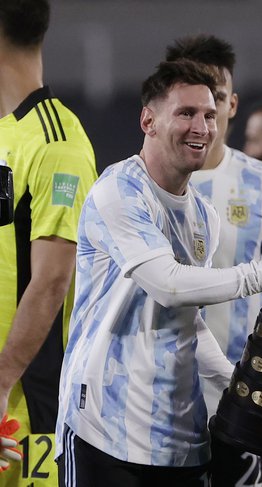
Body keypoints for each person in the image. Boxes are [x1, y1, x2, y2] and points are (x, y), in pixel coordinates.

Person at [54, 59, 262, 487]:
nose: (202, 127)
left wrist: (241, 386)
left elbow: (187, 322)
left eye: (209, 115)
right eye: (185, 113)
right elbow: (169, 286)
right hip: (105, 431)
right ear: (148, 121)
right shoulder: (119, 190)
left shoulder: (204, 217)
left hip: (179, 439)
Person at [165, 34, 262, 487]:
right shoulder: (137, 187)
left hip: (243, 399)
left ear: (232, 103)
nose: (206, 114)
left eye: (216, 98)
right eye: (190, 101)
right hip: (159, 403)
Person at [0, 0, 97, 484]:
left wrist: (1, 383)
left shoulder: (57, 141)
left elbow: (53, 277)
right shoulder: (4, 133)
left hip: (26, 405)